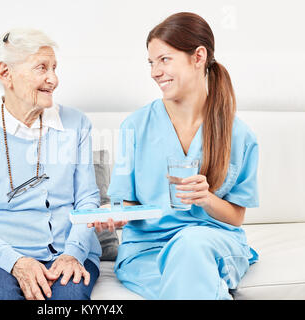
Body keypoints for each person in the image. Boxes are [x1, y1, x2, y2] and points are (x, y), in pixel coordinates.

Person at [89, 12, 259, 300]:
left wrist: (207, 199)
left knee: (190, 247)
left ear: (198, 57)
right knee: (193, 284)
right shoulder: (135, 126)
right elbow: (126, 202)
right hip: (148, 250)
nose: (155, 71)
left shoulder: (240, 136)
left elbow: (236, 217)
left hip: (210, 243)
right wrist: (115, 216)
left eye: (164, 59)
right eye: (151, 63)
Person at [0, 28, 101, 300]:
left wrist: (73, 253)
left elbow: (87, 202)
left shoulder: (77, 125)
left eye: (55, 68)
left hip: (66, 252)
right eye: (41, 68)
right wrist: (16, 262)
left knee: (68, 298)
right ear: (5, 73)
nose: (53, 79)